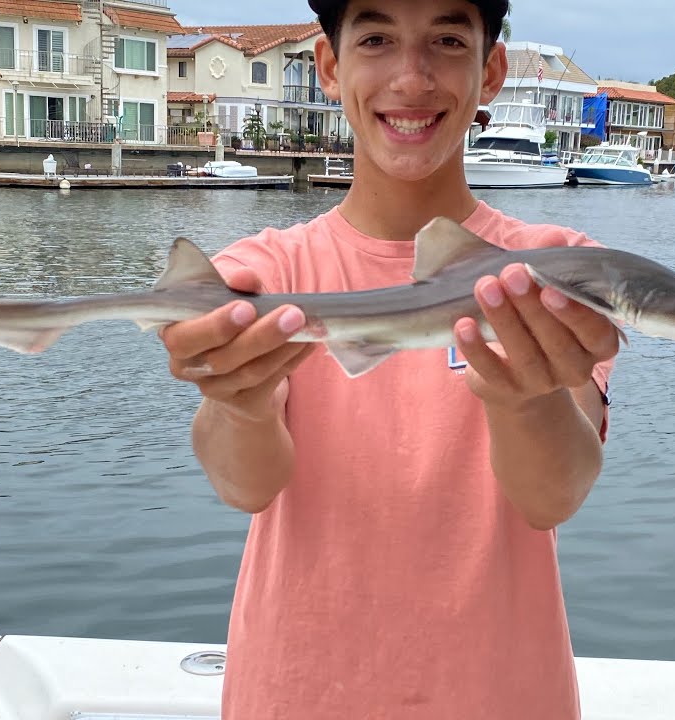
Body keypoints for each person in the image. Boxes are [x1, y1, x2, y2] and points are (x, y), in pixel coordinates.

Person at [158, 1, 619, 717]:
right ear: (331, 67)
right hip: (295, 692)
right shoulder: (266, 268)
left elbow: (551, 498)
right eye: (376, 39)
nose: (412, 77)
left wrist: (524, 396)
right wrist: (235, 397)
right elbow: (244, 486)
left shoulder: (558, 272)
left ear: (490, 71)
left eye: (446, 40)